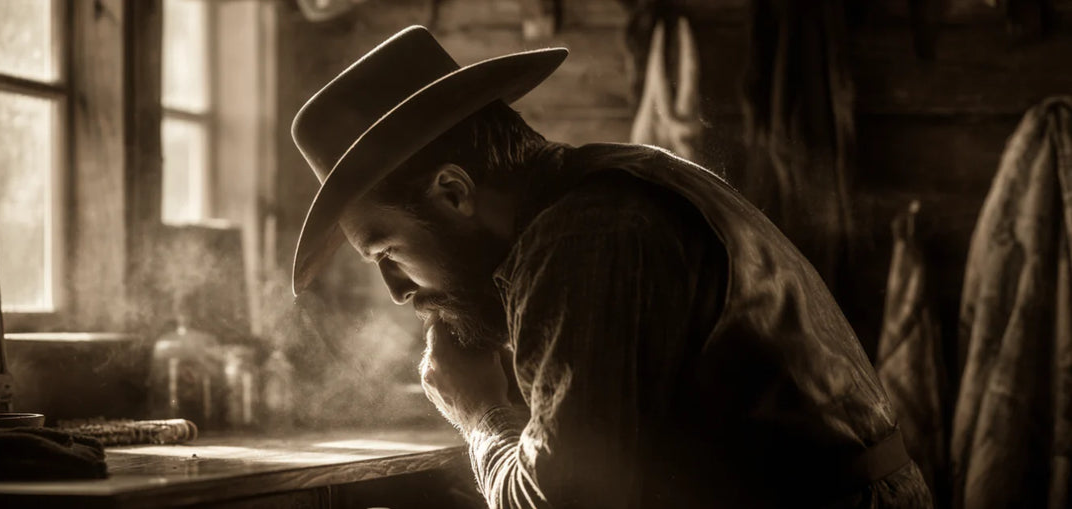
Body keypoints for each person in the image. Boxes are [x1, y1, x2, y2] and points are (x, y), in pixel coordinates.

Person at [288, 26, 932, 508]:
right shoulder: (610, 192)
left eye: (387, 253)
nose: (397, 291)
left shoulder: (584, 236)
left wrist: (479, 412)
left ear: (453, 191)